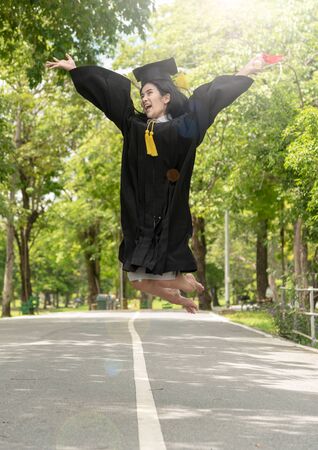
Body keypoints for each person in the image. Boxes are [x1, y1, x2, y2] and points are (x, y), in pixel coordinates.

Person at [46, 52, 274, 314]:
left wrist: (246, 69)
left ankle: (183, 283)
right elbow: (109, 98)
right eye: (142, 94)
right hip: (139, 220)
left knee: (143, 278)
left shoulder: (185, 127)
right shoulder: (134, 126)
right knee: (138, 281)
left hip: (167, 218)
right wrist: (77, 71)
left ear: (166, 97)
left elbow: (212, 98)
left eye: (150, 92)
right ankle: (182, 291)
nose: (144, 98)